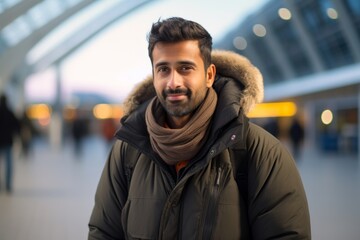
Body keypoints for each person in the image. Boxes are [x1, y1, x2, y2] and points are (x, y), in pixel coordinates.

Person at [88, 17, 311, 239]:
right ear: (154, 76)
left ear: (209, 75)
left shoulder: (259, 152)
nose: (173, 82)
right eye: (163, 69)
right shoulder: (128, 151)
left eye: (185, 68)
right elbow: (104, 232)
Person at [0, 93, 20, 192]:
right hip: (8, 141)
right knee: (8, 164)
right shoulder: (9, 112)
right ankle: (8, 185)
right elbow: (17, 126)